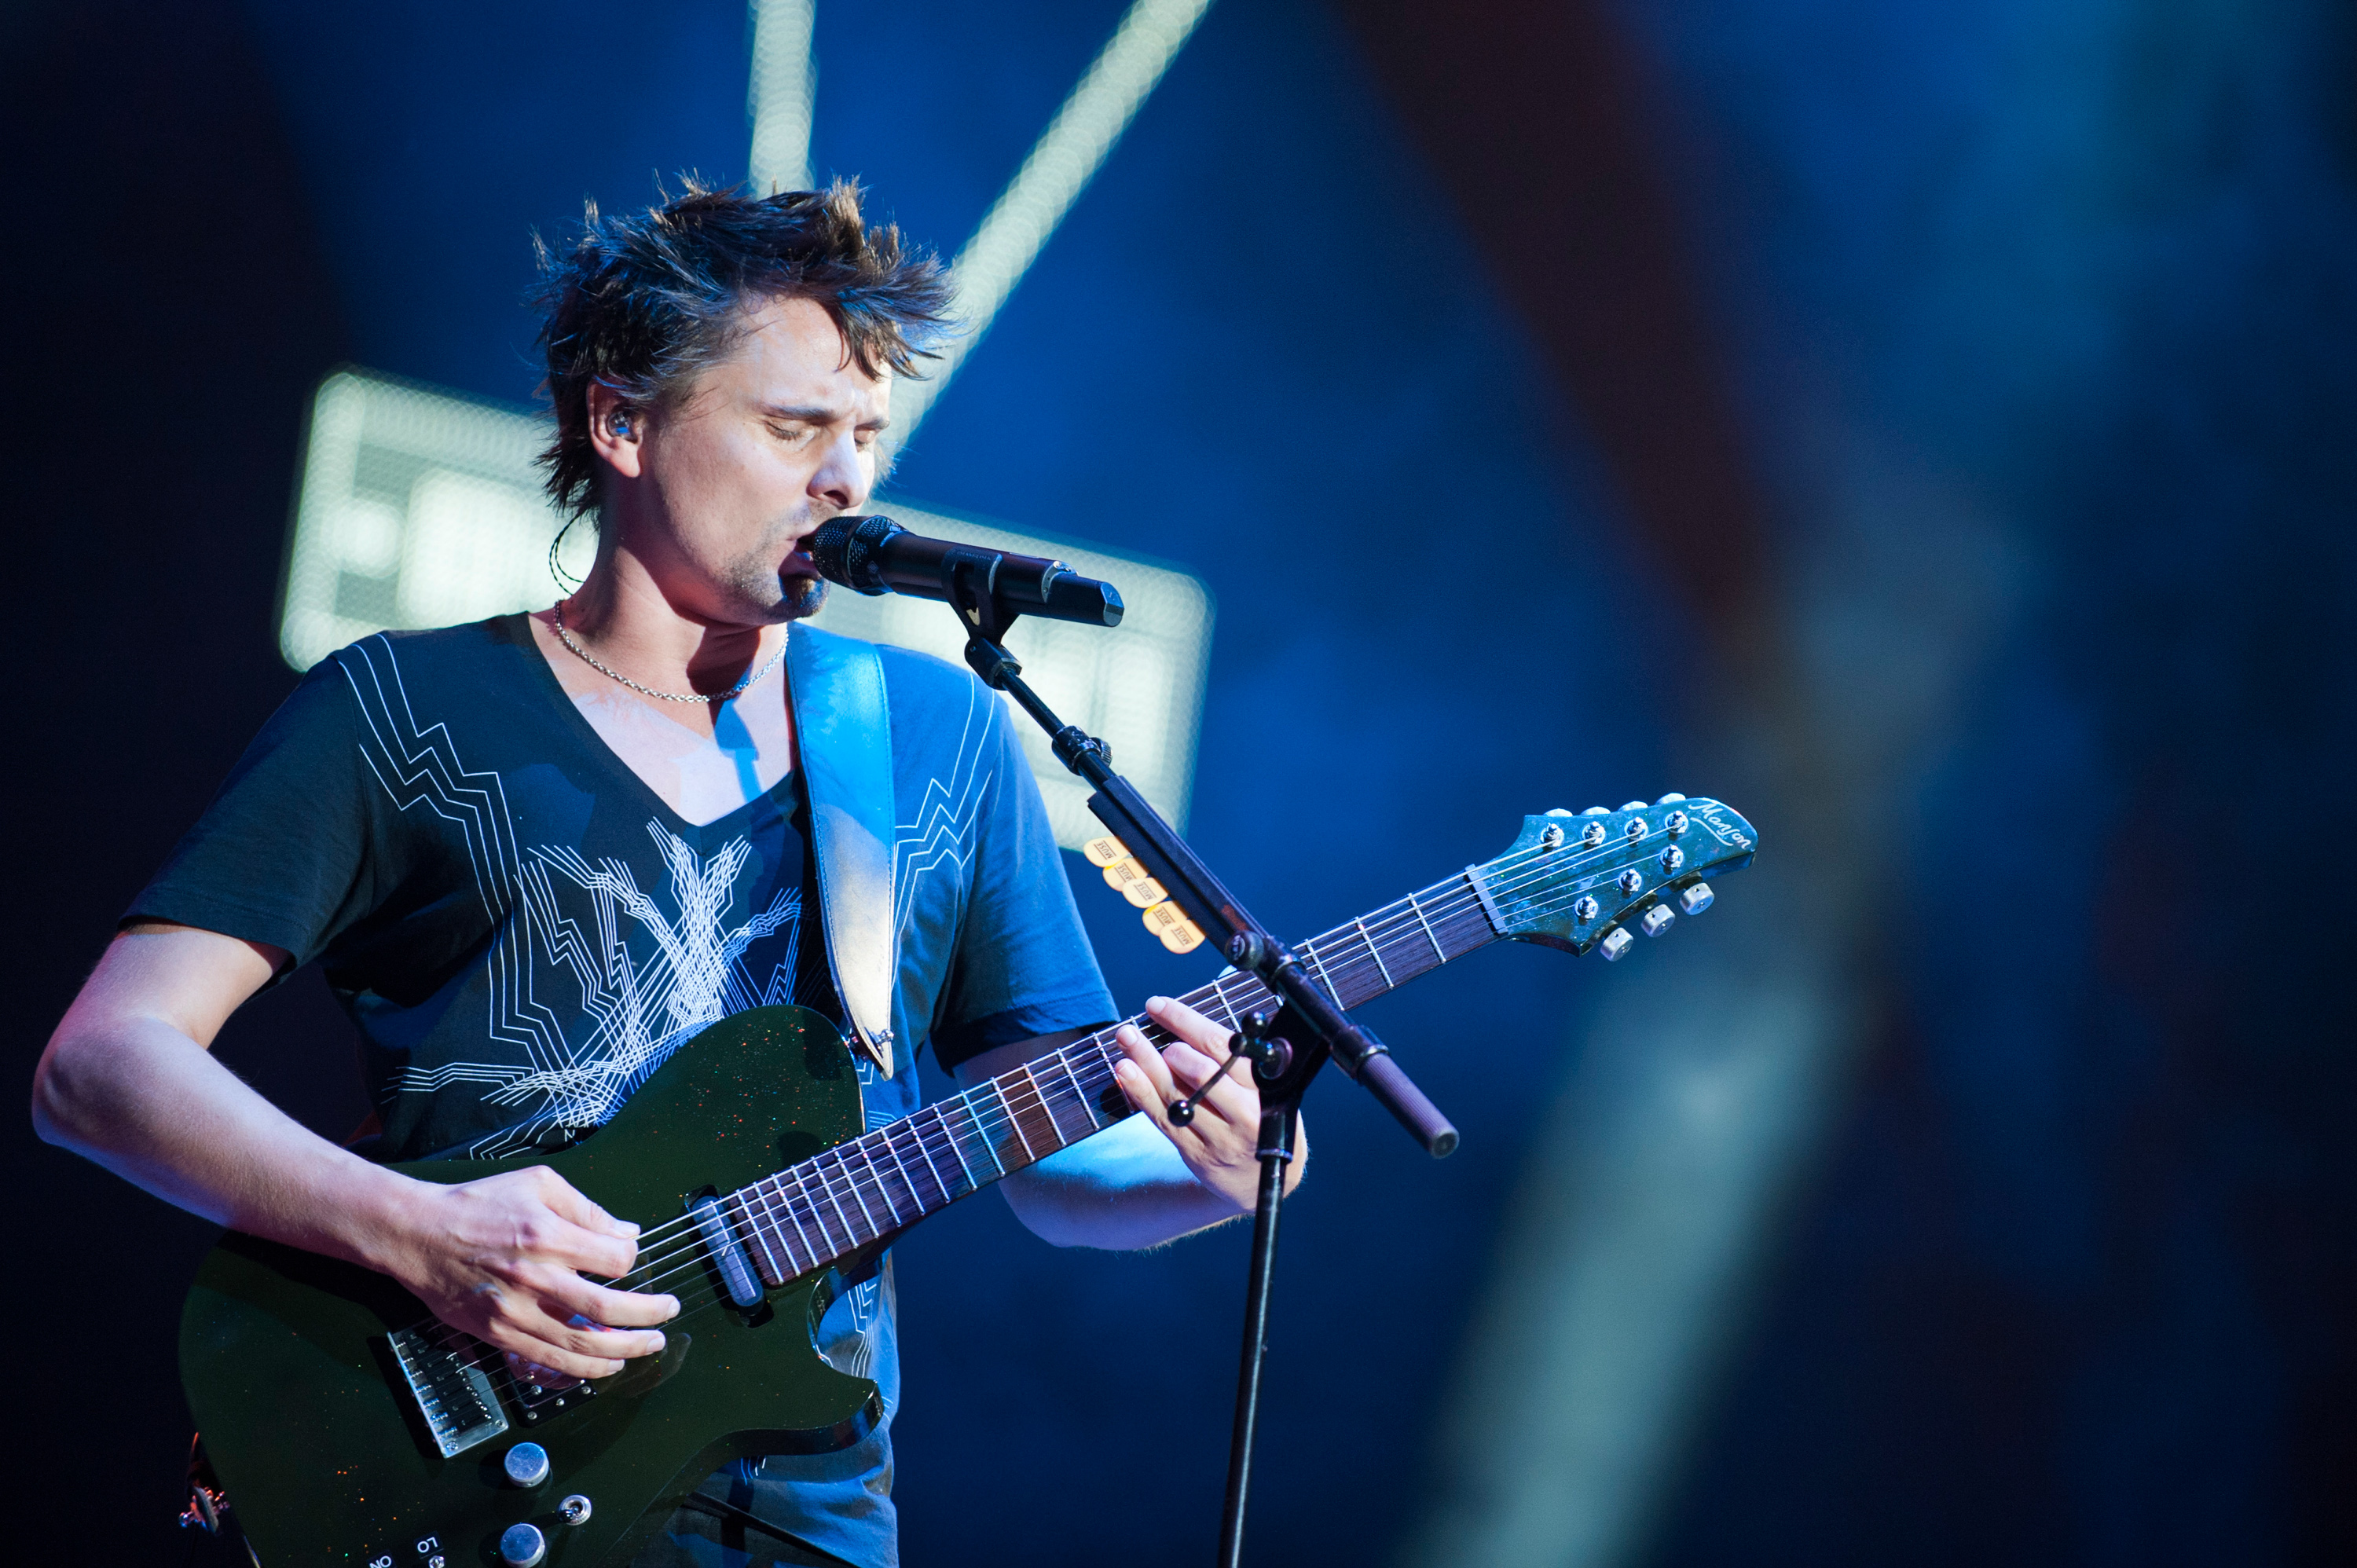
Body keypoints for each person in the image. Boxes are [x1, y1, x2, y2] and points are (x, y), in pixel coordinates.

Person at [31, 179, 1302, 1568]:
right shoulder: (402, 712)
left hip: (812, 1525)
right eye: (794, 428)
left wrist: (1214, 1168)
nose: (847, 481)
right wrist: (421, 1234)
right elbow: (101, 1065)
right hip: (475, 1499)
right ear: (622, 423)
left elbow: (1050, 1171)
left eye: (867, 436)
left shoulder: (938, 738)